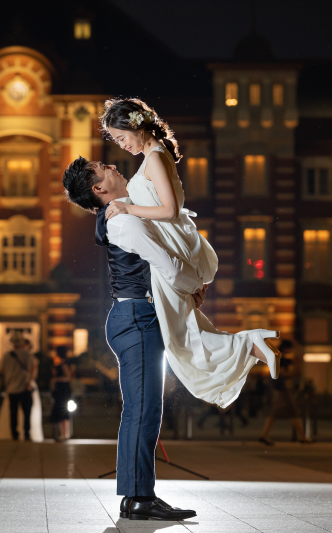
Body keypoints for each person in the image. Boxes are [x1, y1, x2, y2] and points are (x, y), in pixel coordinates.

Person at [96, 98, 282, 410]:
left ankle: (251, 344)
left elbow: (169, 210)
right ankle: (250, 345)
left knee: (177, 339)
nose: (121, 145)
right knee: (185, 328)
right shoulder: (155, 155)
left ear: (136, 126)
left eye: (122, 137)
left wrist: (128, 207)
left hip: (174, 245)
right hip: (178, 244)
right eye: (116, 141)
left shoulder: (154, 157)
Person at [63, 160, 207, 521]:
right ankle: (138, 497)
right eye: (101, 167)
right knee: (142, 410)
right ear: (98, 189)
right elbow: (168, 268)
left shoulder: (123, 214)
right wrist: (193, 287)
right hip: (137, 319)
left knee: (144, 409)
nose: (111, 164)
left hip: (137, 317)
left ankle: (138, 494)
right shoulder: (123, 220)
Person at [259, 341, 314, 445]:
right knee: (292, 412)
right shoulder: (281, 359)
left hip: (280, 389)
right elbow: (284, 374)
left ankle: (264, 435)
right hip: (283, 389)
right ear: (285, 348)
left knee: (281, 414)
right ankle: (302, 437)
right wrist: (296, 370)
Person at [0, 333, 38, 441]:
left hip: (11, 388)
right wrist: (28, 383)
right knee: (27, 412)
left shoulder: (6, 356)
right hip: (24, 387)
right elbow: (31, 369)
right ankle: (26, 433)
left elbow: (2, 371)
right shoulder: (26, 355)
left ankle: (14, 434)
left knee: (13, 412)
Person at [50, 346, 73, 442]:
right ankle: (63, 433)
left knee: (63, 410)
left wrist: (56, 379)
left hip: (63, 390)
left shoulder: (64, 363)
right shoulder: (59, 362)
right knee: (60, 410)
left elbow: (68, 376)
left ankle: (65, 433)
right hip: (60, 390)